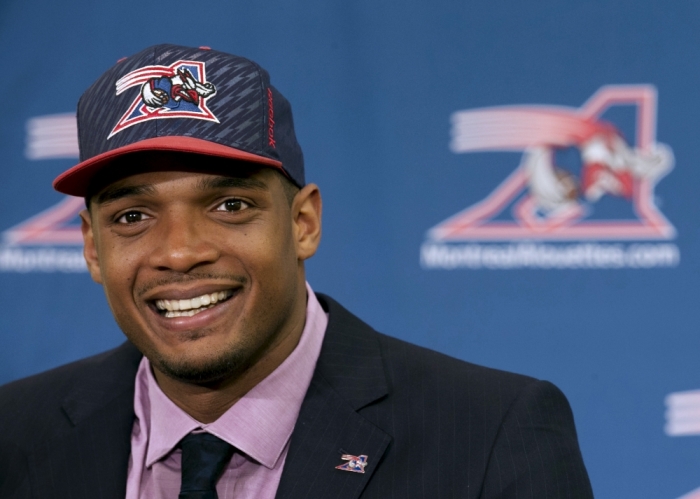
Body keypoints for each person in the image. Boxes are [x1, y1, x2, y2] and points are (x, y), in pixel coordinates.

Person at [0, 44, 594, 498]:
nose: (178, 253)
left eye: (230, 205)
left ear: (303, 221)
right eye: (132, 215)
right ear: (93, 247)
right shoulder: (14, 432)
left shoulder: (491, 433)